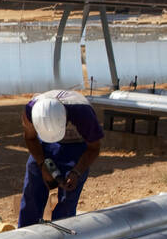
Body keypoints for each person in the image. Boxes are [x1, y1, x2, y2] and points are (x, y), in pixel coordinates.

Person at [17, 89, 103, 229]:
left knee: (68, 199)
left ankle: (62, 237)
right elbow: (30, 138)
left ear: (65, 117)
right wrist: (41, 165)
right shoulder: (31, 111)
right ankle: (26, 232)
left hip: (76, 146)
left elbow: (94, 148)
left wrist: (77, 172)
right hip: (43, 144)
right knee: (33, 187)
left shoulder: (83, 113)